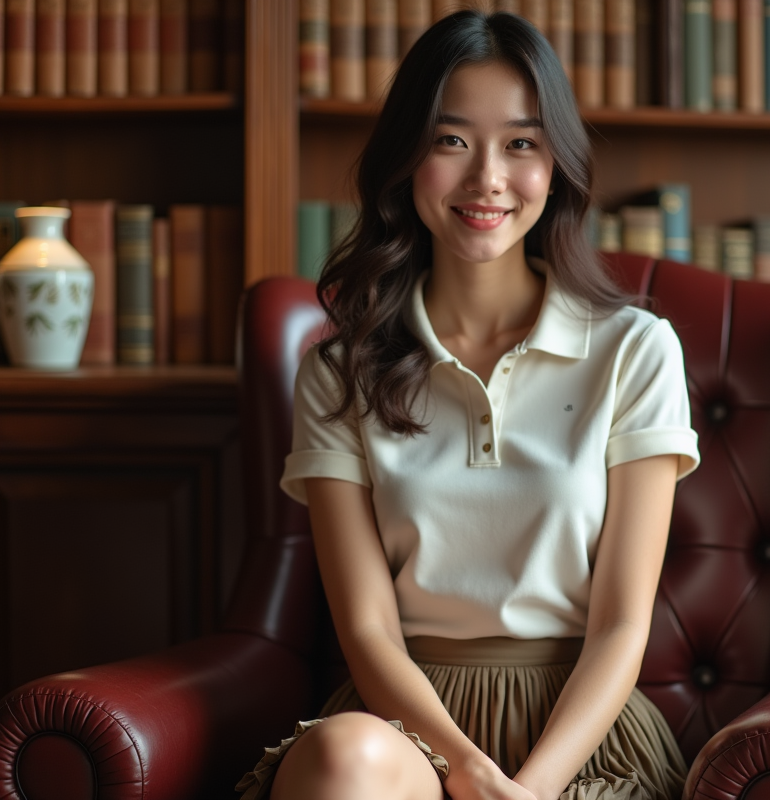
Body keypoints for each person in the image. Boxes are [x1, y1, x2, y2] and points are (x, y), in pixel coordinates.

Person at [236, 10, 699, 800]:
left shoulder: (635, 349)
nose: (487, 176)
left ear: (556, 166)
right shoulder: (338, 371)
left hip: (583, 734)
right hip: (408, 729)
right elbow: (368, 629)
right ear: (407, 158)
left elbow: (623, 624)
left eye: (521, 142)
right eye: (451, 140)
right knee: (342, 765)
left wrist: (529, 789)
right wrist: (469, 773)